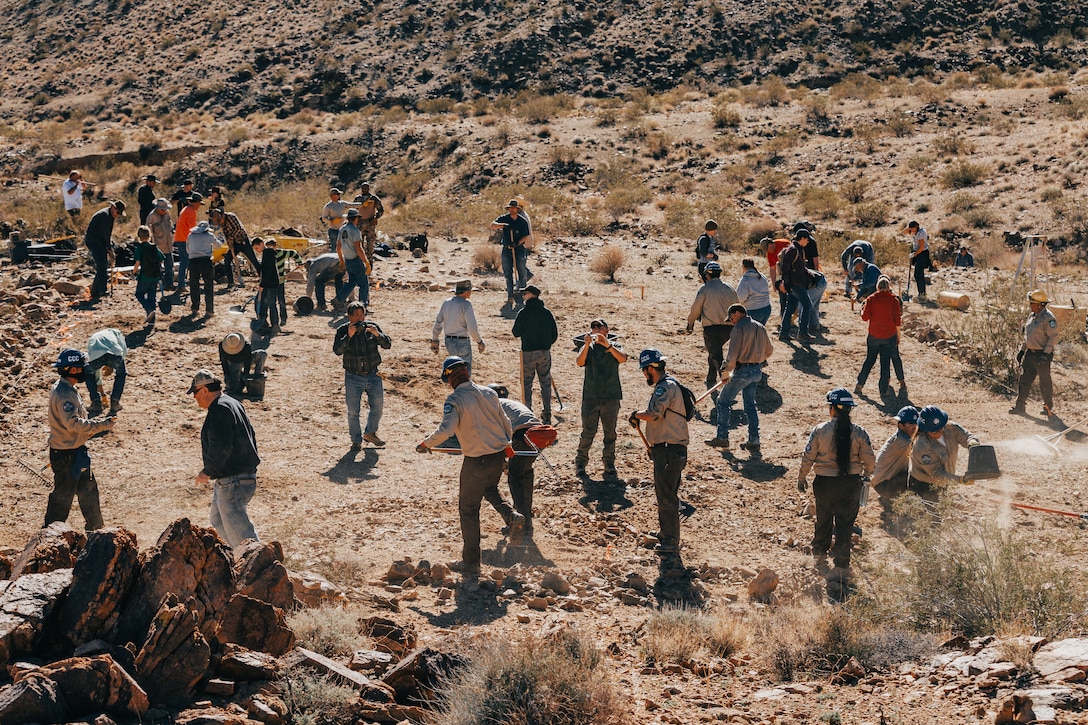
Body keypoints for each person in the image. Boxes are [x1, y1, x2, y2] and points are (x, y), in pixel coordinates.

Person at [416, 357, 525, 576]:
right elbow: (505, 421)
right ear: (466, 372)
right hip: (497, 455)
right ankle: (512, 516)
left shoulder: (455, 400)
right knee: (490, 489)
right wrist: (508, 444)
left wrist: (426, 443)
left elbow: (446, 430)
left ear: (449, 378)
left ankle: (471, 563)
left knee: (468, 509)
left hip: (476, 461)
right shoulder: (489, 392)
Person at [797, 388, 875, 571]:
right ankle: (841, 562)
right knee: (845, 523)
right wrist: (866, 475)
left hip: (824, 483)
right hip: (850, 484)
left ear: (832, 409)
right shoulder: (860, 433)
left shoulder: (819, 431)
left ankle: (819, 553)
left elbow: (807, 456)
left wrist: (801, 477)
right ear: (849, 410)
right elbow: (870, 460)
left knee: (824, 518)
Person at [189, 370, 261, 548]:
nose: (195, 398)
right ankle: (238, 561)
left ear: (205, 390)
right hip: (240, 477)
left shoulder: (219, 409)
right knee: (218, 519)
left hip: (233, 481)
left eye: (195, 393)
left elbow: (221, 446)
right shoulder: (232, 403)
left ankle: (260, 568)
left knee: (243, 537)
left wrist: (208, 471)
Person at [45, 349, 116, 531]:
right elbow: (74, 424)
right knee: (63, 498)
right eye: (81, 368)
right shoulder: (64, 395)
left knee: (89, 492)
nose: (85, 371)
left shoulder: (67, 389)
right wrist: (102, 425)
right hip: (66, 456)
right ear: (73, 370)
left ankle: (95, 531)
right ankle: (49, 536)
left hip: (74, 452)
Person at [631, 349, 689, 557]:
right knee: (666, 493)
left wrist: (636, 414)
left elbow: (654, 414)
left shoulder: (664, 388)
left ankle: (671, 541)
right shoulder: (670, 385)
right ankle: (666, 534)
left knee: (666, 496)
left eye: (644, 371)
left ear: (649, 369)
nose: (644, 375)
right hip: (669, 449)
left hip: (668, 450)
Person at [707, 304, 774, 451]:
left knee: (723, 402)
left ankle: (722, 437)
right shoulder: (760, 327)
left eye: (731, 317)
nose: (731, 321)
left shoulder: (738, 329)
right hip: (756, 371)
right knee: (750, 405)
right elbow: (769, 351)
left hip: (742, 372)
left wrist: (726, 371)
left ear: (737, 313)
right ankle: (754, 440)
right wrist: (757, 358)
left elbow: (731, 356)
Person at [574, 318, 627, 479]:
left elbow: (623, 358)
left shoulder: (614, 346)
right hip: (591, 396)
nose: (596, 329)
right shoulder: (587, 347)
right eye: (593, 327)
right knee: (588, 432)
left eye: (599, 327)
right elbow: (579, 362)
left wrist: (607, 345)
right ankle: (580, 463)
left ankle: (609, 463)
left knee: (610, 433)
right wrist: (586, 345)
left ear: (606, 330)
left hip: (611, 396)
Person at [334, 301, 391, 450]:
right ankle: (356, 440)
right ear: (349, 316)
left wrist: (377, 334)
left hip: (373, 374)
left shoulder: (372, 327)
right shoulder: (342, 330)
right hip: (353, 377)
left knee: (378, 406)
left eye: (362, 314)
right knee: (353, 411)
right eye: (356, 315)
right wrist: (348, 336)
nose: (360, 318)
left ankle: (370, 432)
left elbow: (387, 344)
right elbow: (338, 351)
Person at [489, 383, 541, 534]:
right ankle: (527, 520)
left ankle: (521, 523)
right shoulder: (513, 404)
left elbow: (498, 436)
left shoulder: (495, 406)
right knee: (525, 473)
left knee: (515, 477)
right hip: (537, 435)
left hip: (522, 435)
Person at [686, 261, 739, 395]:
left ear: (707, 275)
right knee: (714, 352)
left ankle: (728, 384)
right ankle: (710, 378)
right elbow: (738, 307)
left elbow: (695, 308)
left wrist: (690, 323)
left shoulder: (705, 289)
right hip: (729, 328)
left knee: (716, 356)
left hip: (711, 329)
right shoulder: (729, 288)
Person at [909, 405, 980, 500]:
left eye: (942, 428)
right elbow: (937, 474)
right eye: (935, 431)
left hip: (944, 480)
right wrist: (959, 480)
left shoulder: (951, 428)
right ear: (926, 430)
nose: (941, 432)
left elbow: (967, 436)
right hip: (924, 485)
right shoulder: (922, 446)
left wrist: (972, 443)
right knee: (929, 513)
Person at [512, 285, 558, 424]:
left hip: (528, 353)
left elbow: (515, 332)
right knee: (545, 382)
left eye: (524, 294)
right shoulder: (546, 312)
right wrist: (546, 344)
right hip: (544, 352)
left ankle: (527, 413)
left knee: (526, 383)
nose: (523, 296)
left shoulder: (523, 313)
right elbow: (554, 334)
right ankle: (547, 412)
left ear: (531, 295)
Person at [1010, 289, 1059, 417]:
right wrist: (1022, 350)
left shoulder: (1048, 318)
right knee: (1024, 380)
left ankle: (1047, 407)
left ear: (1040, 305)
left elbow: (1053, 337)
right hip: (1030, 354)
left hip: (1042, 354)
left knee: (1044, 382)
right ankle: (1020, 406)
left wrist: (1046, 354)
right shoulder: (1032, 316)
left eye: (1032, 303)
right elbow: (1028, 335)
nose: (1030, 305)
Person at [855, 277, 905, 397]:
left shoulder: (871, 299)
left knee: (869, 361)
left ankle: (859, 385)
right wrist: (898, 336)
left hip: (874, 336)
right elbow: (897, 321)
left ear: (877, 287)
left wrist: (862, 310)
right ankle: (883, 391)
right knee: (885, 363)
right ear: (889, 287)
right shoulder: (894, 300)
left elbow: (864, 318)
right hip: (889, 336)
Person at [430, 279, 484, 375]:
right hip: (462, 342)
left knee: (455, 370)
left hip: (449, 342)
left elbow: (438, 322)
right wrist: (479, 341)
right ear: (466, 291)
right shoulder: (466, 305)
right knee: (465, 373)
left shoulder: (446, 303)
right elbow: (472, 328)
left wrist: (434, 339)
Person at [871, 406, 918, 505]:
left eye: (916, 424)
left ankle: (890, 498)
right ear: (901, 426)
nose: (914, 427)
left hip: (886, 481)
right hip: (884, 485)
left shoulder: (903, 437)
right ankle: (893, 500)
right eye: (910, 424)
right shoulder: (900, 441)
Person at [490, 199, 532, 311]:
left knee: (521, 274)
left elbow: (526, 236)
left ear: (517, 209)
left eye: (514, 208)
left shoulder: (522, 221)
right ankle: (510, 297)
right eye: (510, 208)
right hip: (506, 249)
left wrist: (517, 243)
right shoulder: (504, 218)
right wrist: (503, 225)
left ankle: (521, 299)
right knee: (508, 275)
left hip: (518, 249)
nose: (512, 209)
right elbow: (492, 225)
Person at [776, 228, 816, 342]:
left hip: (794, 284)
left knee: (789, 309)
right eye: (807, 239)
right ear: (802, 238)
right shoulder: (794, 250)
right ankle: (802, 333)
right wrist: (785, 282)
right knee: (807, 305)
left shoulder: (796, 249)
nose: (808, 241)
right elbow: (785, 267)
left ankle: (784, 333)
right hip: (795, 284)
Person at [84, 200, 126, 300]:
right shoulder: (104, 216)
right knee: (102, 264)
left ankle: (96, 291)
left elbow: (107, 234)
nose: (118, 215)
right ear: (113, 208)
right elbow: (104, 234)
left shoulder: (109, 216)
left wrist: (109, 246)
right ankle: (102, 290)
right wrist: (109, 248)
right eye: (118, 212)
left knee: (102, 265)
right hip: (94, 241)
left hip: (99, 241)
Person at [208, 207, 258, 289]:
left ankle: (263, 278)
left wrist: (231, 238)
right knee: (227, 261)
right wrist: (230, 245)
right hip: (234, 244)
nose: (220, 223)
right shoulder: (221, 224)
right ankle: (231, 282)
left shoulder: (231, 216)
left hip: (243, 241)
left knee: (253, 260)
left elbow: (238, 229)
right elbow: (225, 234)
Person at [84, 328, 128, 417]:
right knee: (121, 374)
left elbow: (93, 364)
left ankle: (96, 403)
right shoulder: (117, 333)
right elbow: (123, 351)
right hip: (113, 354)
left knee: (89, 374)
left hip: (95, 356)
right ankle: (115, 402)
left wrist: (98, 383)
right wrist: (113, 365)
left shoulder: (93, 337)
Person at [334, 209, 371, 311]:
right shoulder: (355, 231)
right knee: (363, 284)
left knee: (352, 282)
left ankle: (339, 299)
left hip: (348, 260)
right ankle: (363, 305)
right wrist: (366, 262)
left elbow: (338, 246)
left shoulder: (342, 229)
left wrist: (342, 260)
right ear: (355, 218)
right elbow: (359, 249)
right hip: (356, 260)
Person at [132, 225, 164, 324]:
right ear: (149, 235)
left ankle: (149, 310)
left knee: (139, 294)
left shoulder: (139, 248)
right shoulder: (154, 247)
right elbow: (161, 259)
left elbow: (137, 263)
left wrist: (134, 272)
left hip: (144, 276)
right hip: (155, 276)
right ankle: (152, 320)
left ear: (139, 236)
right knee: (152, 297)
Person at [173, 192, 203, 294]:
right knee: (185, 263)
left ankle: (182, 284)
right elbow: (192, 229)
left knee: (184, 262)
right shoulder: (191, 212)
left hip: (180, 238)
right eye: (199, 203)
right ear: (196, 203)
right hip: (184, 239)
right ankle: (181, 285)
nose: (199, 206)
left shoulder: (186, 209)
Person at [186, 219, 217, 317]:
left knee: (194, 285)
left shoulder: (190, 236)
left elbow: (188, 249)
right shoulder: (209, 236)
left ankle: (195, 308)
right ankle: (209, 310)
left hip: (193, 262)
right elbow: (219, 245)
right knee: (208, 285)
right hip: (206, 262)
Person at [353, 181, 384, 267]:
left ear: (369, 188)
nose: (364, 189)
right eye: (363, 188)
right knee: (359, 245)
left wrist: (376, 218)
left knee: (370, 245)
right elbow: (353, 210)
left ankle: (369, 264)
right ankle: (360, 264)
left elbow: (381, 210)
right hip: (359, 223)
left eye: (366, 188)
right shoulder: (357, 199)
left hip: (370, 223)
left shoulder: (373, 198)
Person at [146, 198, 175, 291]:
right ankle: (160, 284)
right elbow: (148, 233)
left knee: (169, 266)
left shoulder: (167, 214)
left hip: (168, 245)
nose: (165, 211)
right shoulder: (151, 217)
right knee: (157, 267)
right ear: (157, 208)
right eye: (163, 209)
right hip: (158, 247)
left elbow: (170, 227)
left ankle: (169, 284)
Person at [255, 238, 281, 334]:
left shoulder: (268, 254)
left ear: (262, 244)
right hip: (270, 283)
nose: (257, 250)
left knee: (271, 304)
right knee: (266, 304)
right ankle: (268, 324)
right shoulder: (268, 253)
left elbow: (268, 271)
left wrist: (262, 284)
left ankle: (274, 325)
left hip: (270, 284)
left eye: (257, 248)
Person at [736, 258, 772, 325]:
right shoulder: (762, 277)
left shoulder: (745, 280)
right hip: (766, 308)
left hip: (753, 310)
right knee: (760, 331)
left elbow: (741, 298)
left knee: (751, 333)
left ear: (743, 266)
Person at [764, 235, 792, 318]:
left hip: (794, 271)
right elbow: (772, 269)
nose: (769, 251)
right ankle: (784, 314)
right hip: (783, 273)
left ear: (772, 244)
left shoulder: (784, 244)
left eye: (769, 248)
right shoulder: (769, 253)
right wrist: (774, 284)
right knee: (781, 289)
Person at [219, 333, 252, 397]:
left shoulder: (246, 346)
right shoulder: (222, 346)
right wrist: (227, 374)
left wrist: (244, 378)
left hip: (245, 360)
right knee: (234, 387)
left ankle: (257, 376)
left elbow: (247, 363)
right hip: (233, 363)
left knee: (262, 354)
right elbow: (224, 362)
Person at [905, 220, 930, 298]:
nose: (911, 230)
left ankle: (922, 293)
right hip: (918, 253)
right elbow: (904, 232)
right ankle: (921, 292)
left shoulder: (920, 234)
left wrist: (914, 254)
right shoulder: (917, 231)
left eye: (912, 228)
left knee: (918, 274)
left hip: (922, 254)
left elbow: (922, 247)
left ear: (915, 227)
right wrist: (908, 227)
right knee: (919, 274)